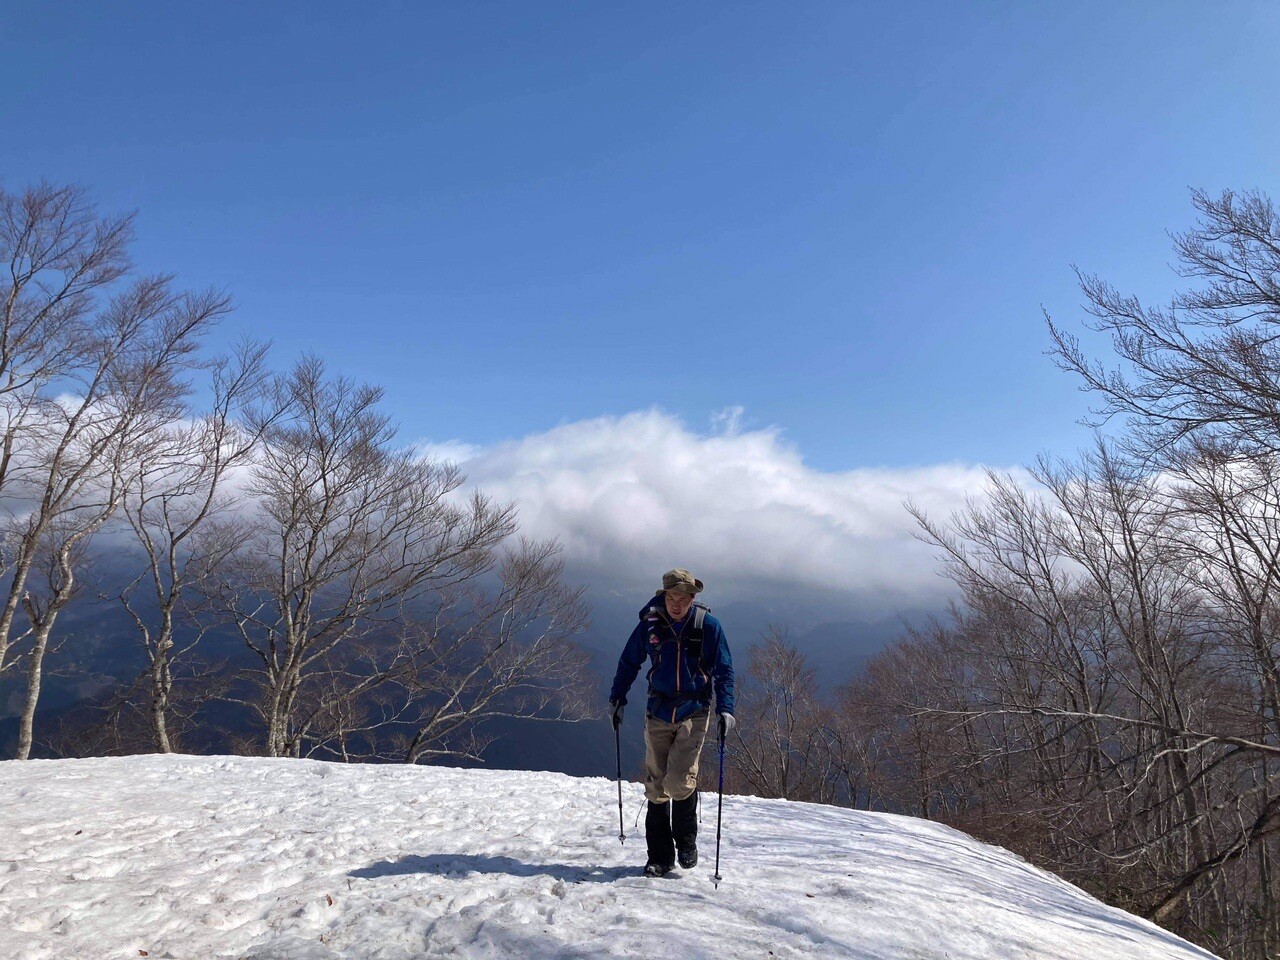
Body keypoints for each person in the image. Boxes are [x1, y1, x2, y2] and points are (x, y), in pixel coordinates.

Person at [609, 568, 735, 877]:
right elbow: (629, 662)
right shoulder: (650, 625)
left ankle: (686, 842)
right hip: (659, 710)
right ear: (663, 596)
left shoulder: (708, 627)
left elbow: (725, 670)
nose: (676, 604)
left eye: (682, 598)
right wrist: (617, 698)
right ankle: (660, 857)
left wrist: (727, 709)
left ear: (693, 599)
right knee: (656, 785)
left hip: (695, 710)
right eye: (671, 598)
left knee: (679, 782)